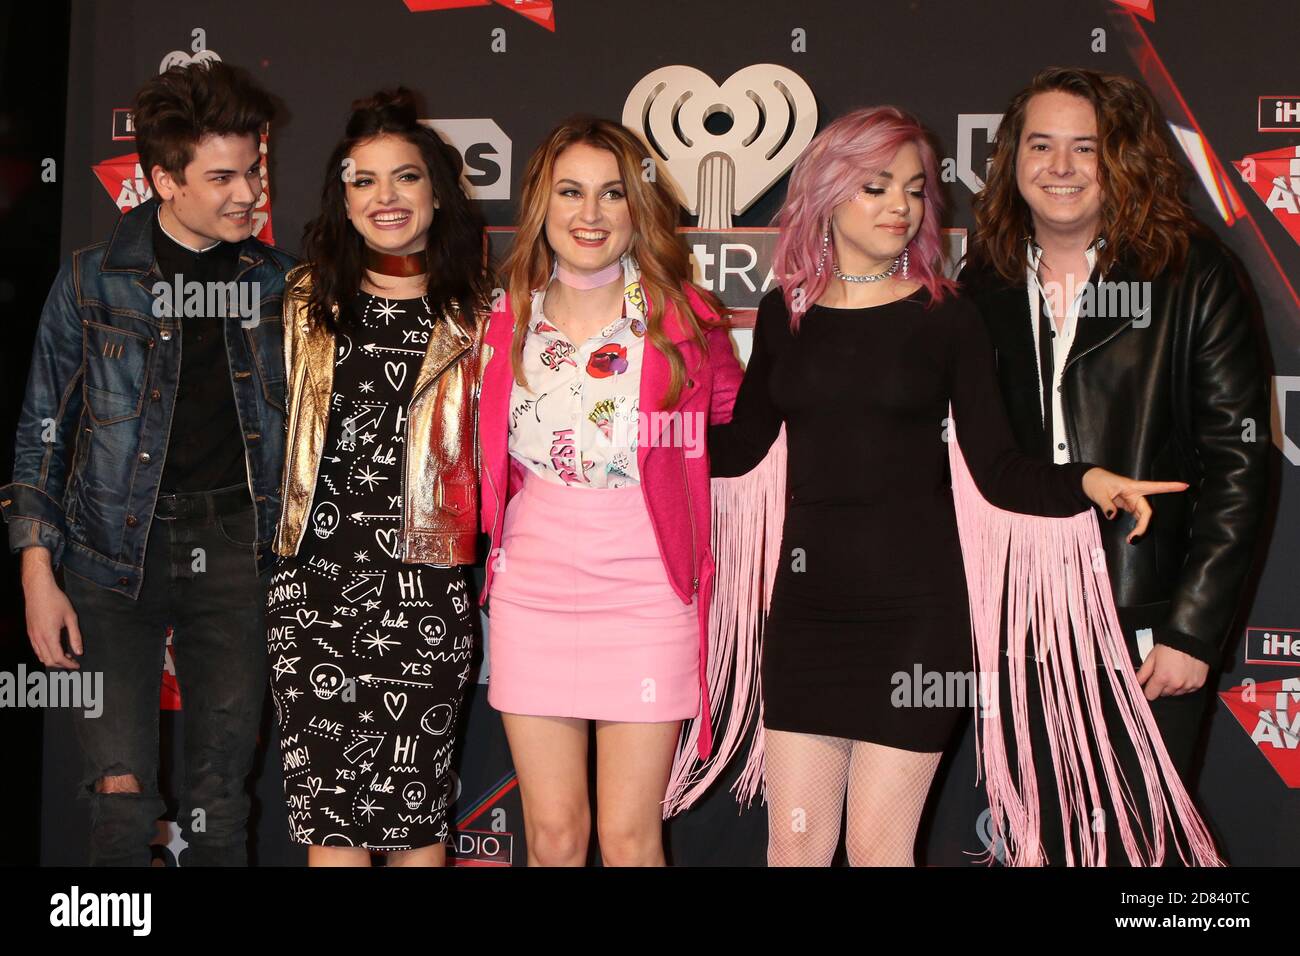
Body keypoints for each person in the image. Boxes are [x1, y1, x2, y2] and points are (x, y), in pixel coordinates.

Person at [704, 105, 1190, 867]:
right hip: (803, 621)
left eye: (913, 188)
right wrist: (637, 437)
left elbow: (997, 469)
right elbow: (738, 450)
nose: (901, 205)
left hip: (916, 624)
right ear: (828, 194)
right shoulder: (782, 315)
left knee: (877, 851)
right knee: (793, 848)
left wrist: (1088, 479)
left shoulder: (946, 318)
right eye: (875, 187)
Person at [960, 67, 1272, 865]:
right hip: (1021, 621)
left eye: (1085, 148)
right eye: (1041, 144)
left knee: (1142, 848)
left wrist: (1192, 631)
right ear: (1012, 160)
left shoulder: (1190, 273)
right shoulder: (984, 280)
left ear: (1124, 160)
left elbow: (1238, 462)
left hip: (1143, 615)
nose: (1060, 167)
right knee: (1045, 840)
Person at [1, 61, 296, 865]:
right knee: (120, 808)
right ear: (165, 179)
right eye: (224, 176)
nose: (249, 193)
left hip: (237, 554)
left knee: (219, 808)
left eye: (255, 170)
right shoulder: (91, 280)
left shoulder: (280, 286)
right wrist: (37, 573)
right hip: (107, 562)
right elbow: (40, 433)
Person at [476, 116, 743, 866]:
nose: (589, 215)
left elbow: (739, 434)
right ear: (541, 204)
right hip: (533, 589)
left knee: (630, 838)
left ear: (639, 209)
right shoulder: (500, 319)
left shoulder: (685, 320)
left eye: (611, 195)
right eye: (571, 192)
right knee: (554, 837)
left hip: (647, 590)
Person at [271, 88, 491, 866]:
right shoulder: (303, 303)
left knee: (416, 828)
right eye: (362, 180)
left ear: (437, 192)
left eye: (404, 177)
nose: (384, 197)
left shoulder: (482, 315)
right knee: (330, 833)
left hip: (425, 590)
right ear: (342, 196)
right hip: (312, 591)